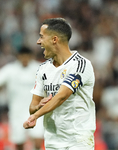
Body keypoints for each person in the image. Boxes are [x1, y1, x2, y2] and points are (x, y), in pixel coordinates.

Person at [23, 18, 96, 150]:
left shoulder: (80, 65)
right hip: (53, 142)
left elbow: (62, 96)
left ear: (54, 39)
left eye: (41, 37)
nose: (38, 41)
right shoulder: (43, 69)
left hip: (78, 140)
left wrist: (35, 116)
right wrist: (38, 107)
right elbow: (32, 107)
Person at [0, 46, 44, 150]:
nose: (25, 59)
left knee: (37, 141)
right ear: (18, 57)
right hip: (16, 112)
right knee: (19, 143)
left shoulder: (39, 69)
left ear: (31, 57)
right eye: (22, 56)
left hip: (35, 111)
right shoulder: (10, 69)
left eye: (27, 57)